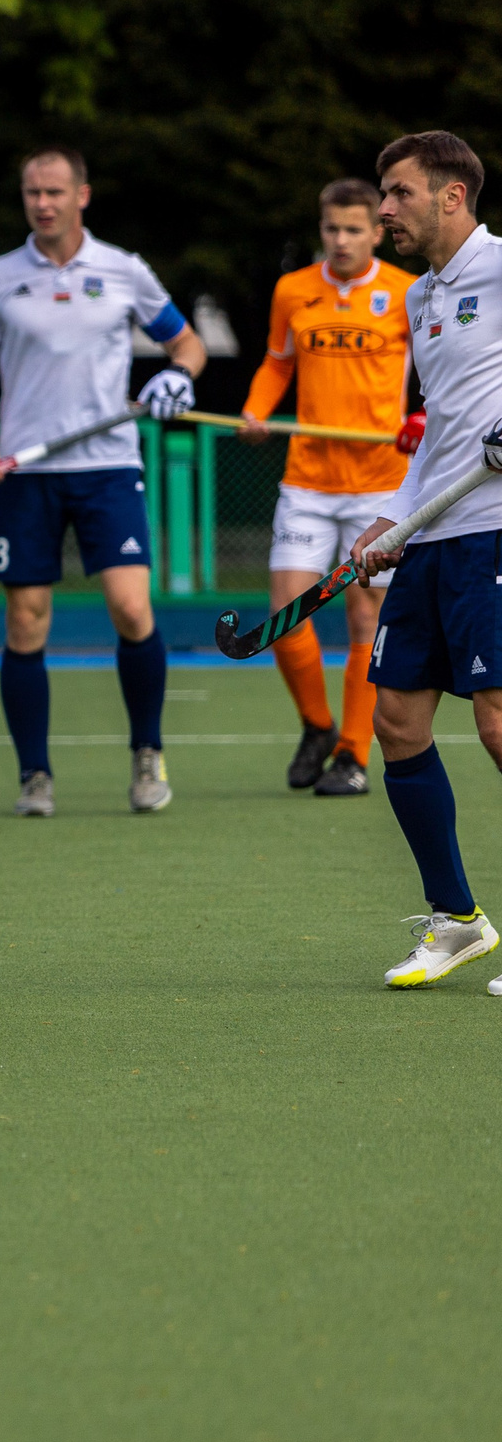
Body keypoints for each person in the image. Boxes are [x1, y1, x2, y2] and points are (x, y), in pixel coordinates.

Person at [0, 146, 207, 817]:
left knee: (131, 607)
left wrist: (176, 376)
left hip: (107, 466)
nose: (42, 203)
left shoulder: (123, 271)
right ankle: (34, 772)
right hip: (26, 471)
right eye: (31, 192)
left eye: (54, 191)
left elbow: (187, 344)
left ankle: (147, 753)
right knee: (25, 619)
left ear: (82, 196)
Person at [348, 131, 502, 989]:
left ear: (452, 195)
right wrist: (391, 520)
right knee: (398, 723)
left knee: (496, 724)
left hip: (497, 530)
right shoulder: (421, 299)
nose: (384, 210)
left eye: (399, 192)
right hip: (434, 536)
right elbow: (442, 430)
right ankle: (457, 920)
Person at [239, 179, 419, 798]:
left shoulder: (405, 292)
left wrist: (425, 426)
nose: (341, 240)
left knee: (365, 615)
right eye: (331, 229)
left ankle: (353, 753)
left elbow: (441, 373)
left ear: (376, 231)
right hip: (308, 479)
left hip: (379, 485)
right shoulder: (294, 290)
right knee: (288, 615)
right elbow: (277, 361)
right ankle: (317, 726)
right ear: (322, 230)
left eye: (354, 229)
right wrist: (257, 408)